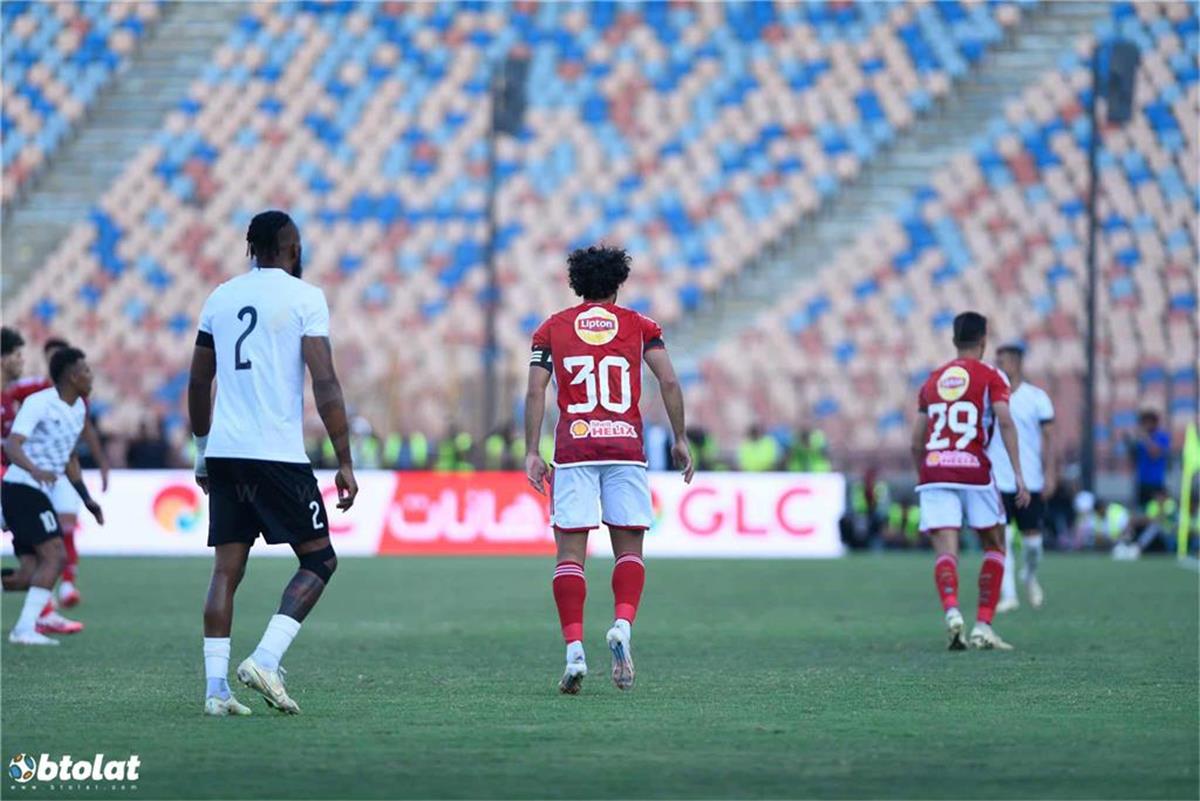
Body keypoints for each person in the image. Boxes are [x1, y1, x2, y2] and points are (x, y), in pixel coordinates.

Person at [189, 210, 358, 717]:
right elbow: (324, 381)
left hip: (225, 453)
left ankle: (216, 691)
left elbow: (199, 382)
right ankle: (266, 658)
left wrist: (201, 450)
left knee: (227, 569)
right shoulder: (304, 298)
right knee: (320, 559)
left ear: (251, 248)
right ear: (290, 248)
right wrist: (344, 459)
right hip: (275, 455)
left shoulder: (220, 295)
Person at [524, 245, 693, 694]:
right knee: (629, 553)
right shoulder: (641, 327)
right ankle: (622, 625)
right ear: (619, 284)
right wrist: (679, 437)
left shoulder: (550, 330)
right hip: (624, 447)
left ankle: (574, 650)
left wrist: (530, 450)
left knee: (570, 557)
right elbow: (669, 380)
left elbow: (535, 393)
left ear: (575, 284)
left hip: (575, 449)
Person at [911, 312, 1029, 651]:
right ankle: (982, 626)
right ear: (984, 340)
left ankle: (951, 613)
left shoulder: (933, 380)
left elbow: (916, 441)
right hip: (975, 471)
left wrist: (926, 470)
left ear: (953, 341)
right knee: (995, 546)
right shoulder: (992, 376)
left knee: (946, 552)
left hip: (935, 470)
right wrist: (1018, 475)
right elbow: (1005, 422)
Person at [1, 347, 104, 645]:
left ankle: (26, 626)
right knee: (55, 555)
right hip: (22, 488)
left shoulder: (79, 408)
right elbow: (12, 445)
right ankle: (24, 629)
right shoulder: (39, 403)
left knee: (28, 574)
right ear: (72, 376)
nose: (91, 376)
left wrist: (86, 498)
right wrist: (34, 470)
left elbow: (68, 457)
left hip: (36, 490)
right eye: (86, 371)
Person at [986, 344, 1056, 612]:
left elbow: (1050, 438)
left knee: (1033, 542)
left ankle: (1029, 575)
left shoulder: (1037, 398)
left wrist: (1051, 472)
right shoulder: (990, 398)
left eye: (1002, 361)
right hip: (997, 480)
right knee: (1000, 538)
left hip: (1030, 480)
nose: (998, 365)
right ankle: (1009, 595)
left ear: (1015, 363)